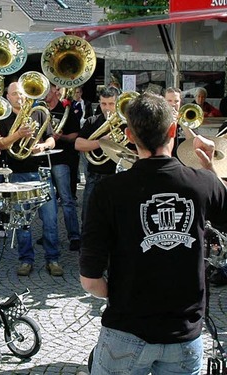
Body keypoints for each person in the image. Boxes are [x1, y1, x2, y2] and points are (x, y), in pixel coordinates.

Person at [80, 92, 227, 374]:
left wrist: (119, 296)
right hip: (183, 335)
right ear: (173, 130)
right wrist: (210, 165)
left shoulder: (108, 191)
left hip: (125, 330)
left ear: (128, 135)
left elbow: (90, 281)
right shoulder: (203, 183)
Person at [0, 80, 62, 277]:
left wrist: (43, 147)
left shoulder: (39, 112)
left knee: (50, 220)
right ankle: (26, 260)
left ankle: (53, 259)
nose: (20, 97)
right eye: (15, 94)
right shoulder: (3, 117)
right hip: (17, 174)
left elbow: (50, 138)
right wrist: (18, 135)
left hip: (41, 172)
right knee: (22, 221)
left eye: (22, 93)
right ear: (8, 97)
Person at [45, 84, 81, 252]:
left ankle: (74, 236)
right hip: (43, 160)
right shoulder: (39, 110)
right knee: (46, 202)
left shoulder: (65, 110)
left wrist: (62, 137)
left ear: (55, 91)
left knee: (66, 200)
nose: (46, 92)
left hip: (61, 160)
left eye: (49, 89)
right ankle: (49, 235)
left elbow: (75, 134)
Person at [75, 87, 119, 227]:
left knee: (116, 217)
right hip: (95, 175)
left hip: (117, 176)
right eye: (103, 104)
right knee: (88, 216)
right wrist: (101, 142)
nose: (107, 108)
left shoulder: (125, 124)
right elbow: (78, 144)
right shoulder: (92, 121)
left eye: (111, 104)